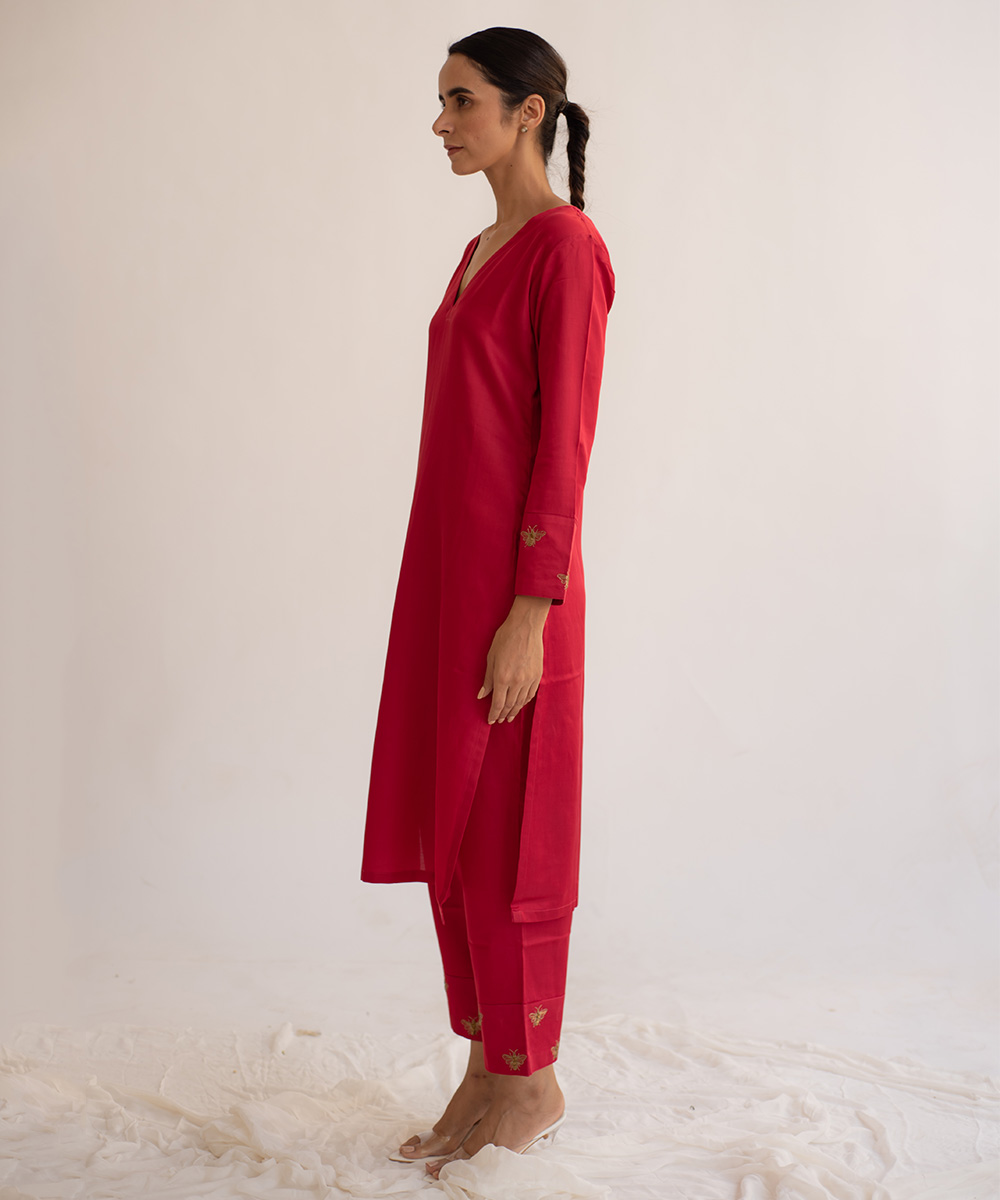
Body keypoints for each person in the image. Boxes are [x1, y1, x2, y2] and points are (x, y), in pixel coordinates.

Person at [359, 26, 615, 1179]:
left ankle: (531, 1078)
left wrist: (531, 609)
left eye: (461, 100)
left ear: (528, 111)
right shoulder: (479, 249)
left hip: (515, 595)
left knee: (513, 832)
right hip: (444, 581)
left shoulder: (564, 247)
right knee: (457, 831)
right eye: (442, 100)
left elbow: (563, 446)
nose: (441, 122)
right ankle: (485, 1063)